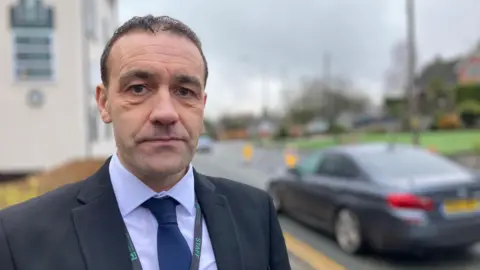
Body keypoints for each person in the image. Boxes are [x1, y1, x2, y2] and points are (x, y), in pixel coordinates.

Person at [0, 15, 290, 270]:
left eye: (185, 91)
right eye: (138, 88)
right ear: (104, 104)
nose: (165, 113)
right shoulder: (20, 236)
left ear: (202, 106)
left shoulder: (256, 212)